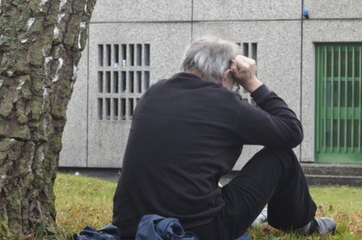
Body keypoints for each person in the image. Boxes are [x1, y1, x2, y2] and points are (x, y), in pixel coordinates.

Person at [111, 36, 335, 240]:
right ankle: (304, 224)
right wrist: (253, 83)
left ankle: (257, 215)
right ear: (227, 75)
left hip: (130, 226)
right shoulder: (224, 102)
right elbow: (291, 131)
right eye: (235, 85)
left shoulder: (153, 93)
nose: (235, 89)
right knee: (281, 157)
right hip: (199, 229)